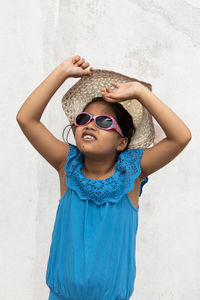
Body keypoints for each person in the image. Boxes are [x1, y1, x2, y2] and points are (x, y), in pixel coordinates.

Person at [16, 55, 192, 300]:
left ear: (122, 142)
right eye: (84, 119)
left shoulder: (133, 171)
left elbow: (180, 137)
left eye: (104, 121)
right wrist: (61, 72)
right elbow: (26, 119)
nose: (90, 125)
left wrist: (141, 93)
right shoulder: (67, 164)